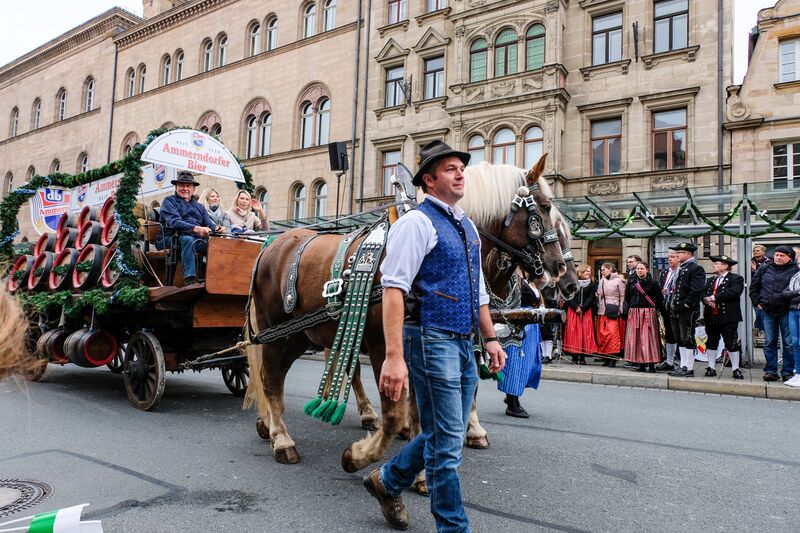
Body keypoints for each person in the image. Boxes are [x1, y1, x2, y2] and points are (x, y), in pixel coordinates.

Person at [365, 140, 506, 532]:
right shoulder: (416, 223)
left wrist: (490, 338)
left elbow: (478, 290)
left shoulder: (467, 226)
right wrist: (394, 357)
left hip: (462, 340)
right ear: (429, 180)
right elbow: (394, 289)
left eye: (461, 168)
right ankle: (453, 527)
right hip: (429, 337)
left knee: (448, 433)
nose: (460, 174)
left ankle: (388, 479)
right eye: (449, 169)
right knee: (446, 446)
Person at [158, 171, 224, 285]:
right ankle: (190, 279)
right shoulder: (169, 201)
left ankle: (216, 278)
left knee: (215, 244)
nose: (185, 188)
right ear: (176, 187)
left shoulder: (199, 207)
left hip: (194, 240)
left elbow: (209, 224)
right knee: (188, 240)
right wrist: (196, 229)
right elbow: (174, 222)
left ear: (193, 189)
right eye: (181, 185)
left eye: (188, 186)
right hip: (169, 238)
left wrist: (217, 228)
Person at [749, 245, 799, 381]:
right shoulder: (764, 268)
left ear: (790, 257)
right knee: (769, 342)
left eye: (782, 255)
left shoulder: (796, 270)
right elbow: (754, 286)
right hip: (767, 310)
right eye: (777, 255)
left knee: (788, 343)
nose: (778, 257)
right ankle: (771, 370)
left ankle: (787, 371)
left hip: (787, 311)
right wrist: (757, 302)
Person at [499, 275, 542, 418]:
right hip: (517, 324)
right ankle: (512, 403)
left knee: (526, 365)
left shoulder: (530, 280)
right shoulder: (512, 279)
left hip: (530, 326)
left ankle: (513, 398)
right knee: (514, 364)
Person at [666, 242, 706, 378]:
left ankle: (689, 368)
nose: (676, 255)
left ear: (688, 254)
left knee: (687, 338)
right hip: (675, 309)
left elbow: (697, 290)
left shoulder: (696, 269)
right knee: (679, 338)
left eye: (679, 253)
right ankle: (682, 365)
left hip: (687, 310)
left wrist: (686, 304)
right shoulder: (681, 268)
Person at [702, 255, 745, 379]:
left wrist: (714, 298)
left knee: (731, 342)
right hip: (711, 315)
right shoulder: (710, 280)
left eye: (717, 264)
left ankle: (735, 368)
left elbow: (734, 292)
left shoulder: (736, 278)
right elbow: (703, 293)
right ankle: (711, 367)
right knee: (711, 341)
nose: (713, 265)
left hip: (728, 316)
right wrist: (706, 301)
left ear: (725, 266)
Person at [623, 263, 663, 372]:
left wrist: (656, 310)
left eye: (642, 268)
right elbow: (627, 297)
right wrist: (629, 310)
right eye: (638, 269)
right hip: (634, 312)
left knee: (649, 338)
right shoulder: (631, 282)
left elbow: (659, 299)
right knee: (636, 338)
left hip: (648, 312)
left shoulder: (653, 283)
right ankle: (640, 364)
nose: (639, 270)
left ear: (647, 270)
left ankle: (651, 364)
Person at [563, 263, 598, 365]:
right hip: (573, 310)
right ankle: (574, 356)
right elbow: (569, 297)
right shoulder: (572, 283)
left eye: (590, 271)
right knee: (574, 332)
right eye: (587, 271)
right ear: (581, 272)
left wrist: (582, 308)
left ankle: (582, 357)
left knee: (585, 333)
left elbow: (591, 298)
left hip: (586, 311)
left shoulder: (592, 285)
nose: (589, 273)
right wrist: (576, 308)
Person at [595, 262, 626, 367]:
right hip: (602, 310)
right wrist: (598, 294)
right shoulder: (602, 280)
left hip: (613, 310)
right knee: (602, 334)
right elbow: (600, 294)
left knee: (612, 334)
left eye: (604, 269)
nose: (602, 272)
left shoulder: (619, 280)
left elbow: (622, 296)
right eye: (601, 270)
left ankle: (613, 357)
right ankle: (606, 357)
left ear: (610, 269)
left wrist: (620, 310)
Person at [656, 251, 680, 371]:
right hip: (665, 306)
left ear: (679, 259)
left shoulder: (680, 272)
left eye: (673, 257)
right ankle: (669, 361)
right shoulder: (665, 272)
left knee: (680, 335)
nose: (670, 259)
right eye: (669, 257)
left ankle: (684, 363)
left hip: (677, 307)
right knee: (669, 334)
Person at [782, 253, 800, 387]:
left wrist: (793, 294)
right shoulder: (795, 276)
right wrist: (797, 292)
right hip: (793, 311)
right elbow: (785, 293)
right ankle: (798, 373)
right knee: (795, 343)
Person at [751, 244, 771, 333]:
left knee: (762, 310)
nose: (755, 252)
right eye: (754, 251)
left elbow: (766, 276)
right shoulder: (749, 261)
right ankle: (759, 328)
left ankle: (760, 328)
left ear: (763, 252)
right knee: (757, 310)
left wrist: (755, 270)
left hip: (765, 290)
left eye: (758, 251)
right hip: (754, 290)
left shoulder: (768, 262)